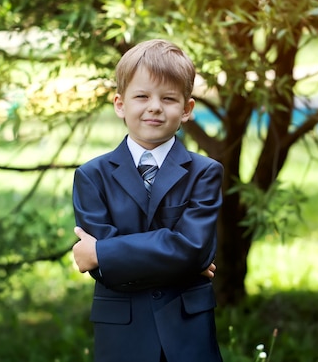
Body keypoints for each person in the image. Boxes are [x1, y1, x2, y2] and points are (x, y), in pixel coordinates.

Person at [72, 39, 224, 362]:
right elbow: (106, 273)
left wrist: (100, 252)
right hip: (122, 338)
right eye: (142, 96)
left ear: (186, 110)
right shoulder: (91, 176)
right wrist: (182, 259)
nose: (154, 106)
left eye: (168, 98)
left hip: (189, 337)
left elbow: (193, 249)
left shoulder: (205, 173)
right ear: (120, 104)